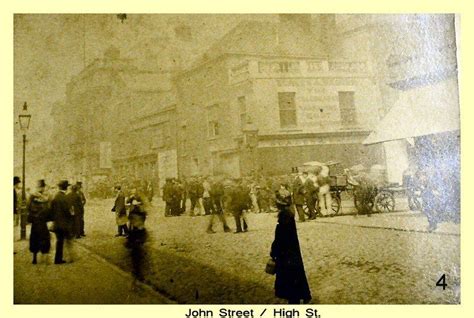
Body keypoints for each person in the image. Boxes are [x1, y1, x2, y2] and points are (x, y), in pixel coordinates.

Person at [270, 184, 312, 304]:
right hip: (293, 253)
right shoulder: (289, 214)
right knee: (297, 275)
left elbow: (280, 239)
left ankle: (294, 301)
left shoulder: (284, 216)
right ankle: (302, 295)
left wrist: (273, 252)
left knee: (290, 279)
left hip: (286, 255)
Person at [27, 179, 52, 264]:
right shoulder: (45, 197)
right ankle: (44, 258)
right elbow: (48, 209)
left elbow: (28, 208)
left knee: (34, 239)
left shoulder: (31, 196)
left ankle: (34, 258)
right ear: (42, 187)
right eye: (43, 187)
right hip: (42, 222)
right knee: (45, 238)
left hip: (35, 222)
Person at [50, 180, 75, 264]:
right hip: (65, 224)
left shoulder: (55, 197)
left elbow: (51, 210)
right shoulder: (65, 198)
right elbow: (68, 211)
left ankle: (58, 259)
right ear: (66, 188)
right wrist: (72, 215)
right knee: (68, 240)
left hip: (57, 223)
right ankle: (68, 258)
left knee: (59, 241)